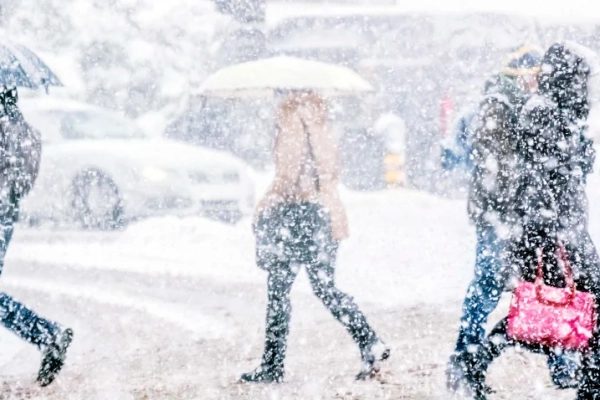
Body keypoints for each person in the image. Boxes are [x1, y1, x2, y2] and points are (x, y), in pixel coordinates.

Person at [456, 42, 600, 400]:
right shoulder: (543, 114)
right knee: (549, 312)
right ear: (567, 78)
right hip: (550, 234)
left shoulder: (561, 113)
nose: (587, 86)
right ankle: (590, 386)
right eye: (582, 78)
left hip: (560, 230)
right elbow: (538, 180)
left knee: (538, 315)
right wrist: (552, 235)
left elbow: (565, 177)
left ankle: (474, 365)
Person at [239, 92, 389, 383]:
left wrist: (266, 202)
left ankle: (272, 365)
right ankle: (369, 340)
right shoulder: (321, 122)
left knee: (279, 291)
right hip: (326, 212)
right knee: (325, 287)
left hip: (297, 214)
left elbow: (288, 175)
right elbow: (329, 170)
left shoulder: (291, 119)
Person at [446, 45, 555, 391]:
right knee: (488, 286)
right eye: (533, 76)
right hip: (500, 217)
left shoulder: (519, 106)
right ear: (519, 75)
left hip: (513, 216)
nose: (537, 83)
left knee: (537, 285)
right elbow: (496, 169)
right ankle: (464, 362)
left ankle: (471, 361)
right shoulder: (498, 106)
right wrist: (524, 191)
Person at [0, 85, 73, 386]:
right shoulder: (25, 132)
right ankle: (46, 334)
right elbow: (23, 181)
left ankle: (47, 333)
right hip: (7, 213)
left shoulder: (4, 131)